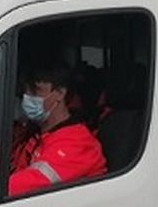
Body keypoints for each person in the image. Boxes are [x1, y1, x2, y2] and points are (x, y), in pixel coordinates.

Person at [9, 63, 107, 197]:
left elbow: (25, 184)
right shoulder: (38, 136)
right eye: (26, 92)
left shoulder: (78, 143)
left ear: (60, 93)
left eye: (36, 91)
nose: (28, 98)